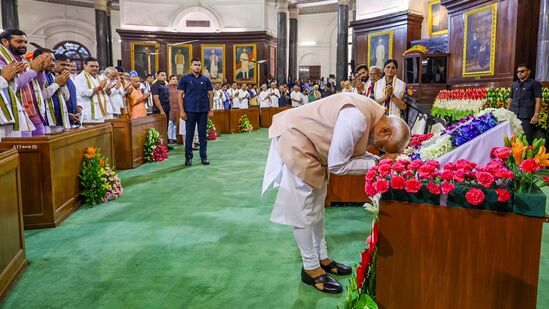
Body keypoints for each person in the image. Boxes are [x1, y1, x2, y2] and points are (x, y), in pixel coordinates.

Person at [262, 92, 410, 294]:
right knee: (303, 209)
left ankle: (322, 257)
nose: (376, 149)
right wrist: (377, 162)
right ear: (385, 131)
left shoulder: (371, 115)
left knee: (317, 205)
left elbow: (351, 153)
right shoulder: (357, 119)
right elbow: (338, 164)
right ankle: (310, 268)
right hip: (296, 139)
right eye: (382, 147)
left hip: (313, 147)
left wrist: (377, 161)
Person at [178, 58, 213, 166]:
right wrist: (182, 111)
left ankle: (204, 157)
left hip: (203, 110)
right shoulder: (185, 79)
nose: (197, 66)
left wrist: (210, 109)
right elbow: (179, 95)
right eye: (195, 65)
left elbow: (210, 94)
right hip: (190, 111)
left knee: (203, 135)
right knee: (189, 135)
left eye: (199, 65)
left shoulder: (206, 79)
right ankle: (188, 157)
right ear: (191, 66)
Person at [35, 48, 71, 129]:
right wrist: (57, 84)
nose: (51, 63)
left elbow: (66, 98)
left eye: (53, 60)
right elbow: (40, 97)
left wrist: (63, 84)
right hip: (46, 118)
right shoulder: (35, 75)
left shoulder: (53, 75)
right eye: (47, 60)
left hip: (60, 117)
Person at [507, 64, 543, 143]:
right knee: (513, 137)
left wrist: (536, 115)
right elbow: (510, 99)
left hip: (526, 116)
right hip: (514, 115)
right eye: (518, 72)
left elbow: (538, 100)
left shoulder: (535, 84)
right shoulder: (515, 84)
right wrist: (507, 112)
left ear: (529, 72)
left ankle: (527, 155)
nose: (519, 73)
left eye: (522, 71)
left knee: (526, 139)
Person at [74, 57, 111, 123]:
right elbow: (83, 92)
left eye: (97, 67)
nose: (95, 68)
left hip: (102, 111)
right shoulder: (80, 77)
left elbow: (104, 93)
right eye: (92, 66)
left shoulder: (99, 77)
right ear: (85, 66)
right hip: (90, 112)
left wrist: (108, 89)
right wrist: (99, 87)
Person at [151, 71, 171, 138]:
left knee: (165, 127)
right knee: (159, 128)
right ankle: (159, 146)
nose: (164, 77)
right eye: (162, 75)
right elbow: (156, 99)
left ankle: (165, 144)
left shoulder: (165, 85)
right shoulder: (155, 85)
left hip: (166, 109)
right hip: (158, 110)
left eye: (165, 75)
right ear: (157, 76)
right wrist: (161, 110)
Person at [168, 75, 180, 144]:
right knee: (170, 123)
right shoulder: (167, 88)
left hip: (177, 108)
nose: (175, 80)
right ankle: (170, 138)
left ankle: (175, 137)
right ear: (169, 80)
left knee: (175, 123)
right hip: (170, 108)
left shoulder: (178, 88)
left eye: (176, 79)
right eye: (173, 79)